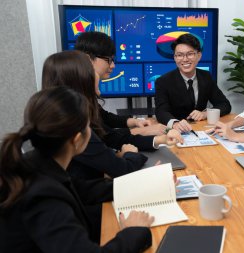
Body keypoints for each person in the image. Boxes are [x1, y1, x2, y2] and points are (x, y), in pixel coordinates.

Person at [0, 86, 154, 252]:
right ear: (77, 139)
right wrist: (133, 231)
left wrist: (146, 184)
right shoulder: (42, 196)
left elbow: (86, 190)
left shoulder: (36, 164)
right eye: (89, 126)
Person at [42, 50, 183, 180]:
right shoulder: (75, 126)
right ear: (81, 79)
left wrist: (159, 139)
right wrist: (130, 154)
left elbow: (108, 136)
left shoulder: (65, 116)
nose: (97, 74)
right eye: (91, 70)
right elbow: (121, 170)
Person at [74, 31, 167, 136]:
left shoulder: (81, 90)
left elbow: (104, 117)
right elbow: (104, 136)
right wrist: (144, 131)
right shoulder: (76, 100)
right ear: (88, 59)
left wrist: (135, 122)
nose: (113, 65)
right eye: (108, 60)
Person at [155, 33, 232, 133]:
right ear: (175, 58)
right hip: (176, 132)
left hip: (201, 130)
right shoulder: (163, 81)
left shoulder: (206, 76)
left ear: (198, 55)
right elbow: (161, 111)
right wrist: (175, 123)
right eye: (179, 55)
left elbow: (224, 104)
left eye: (190, 54)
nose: (185, 59)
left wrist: (205, 114)